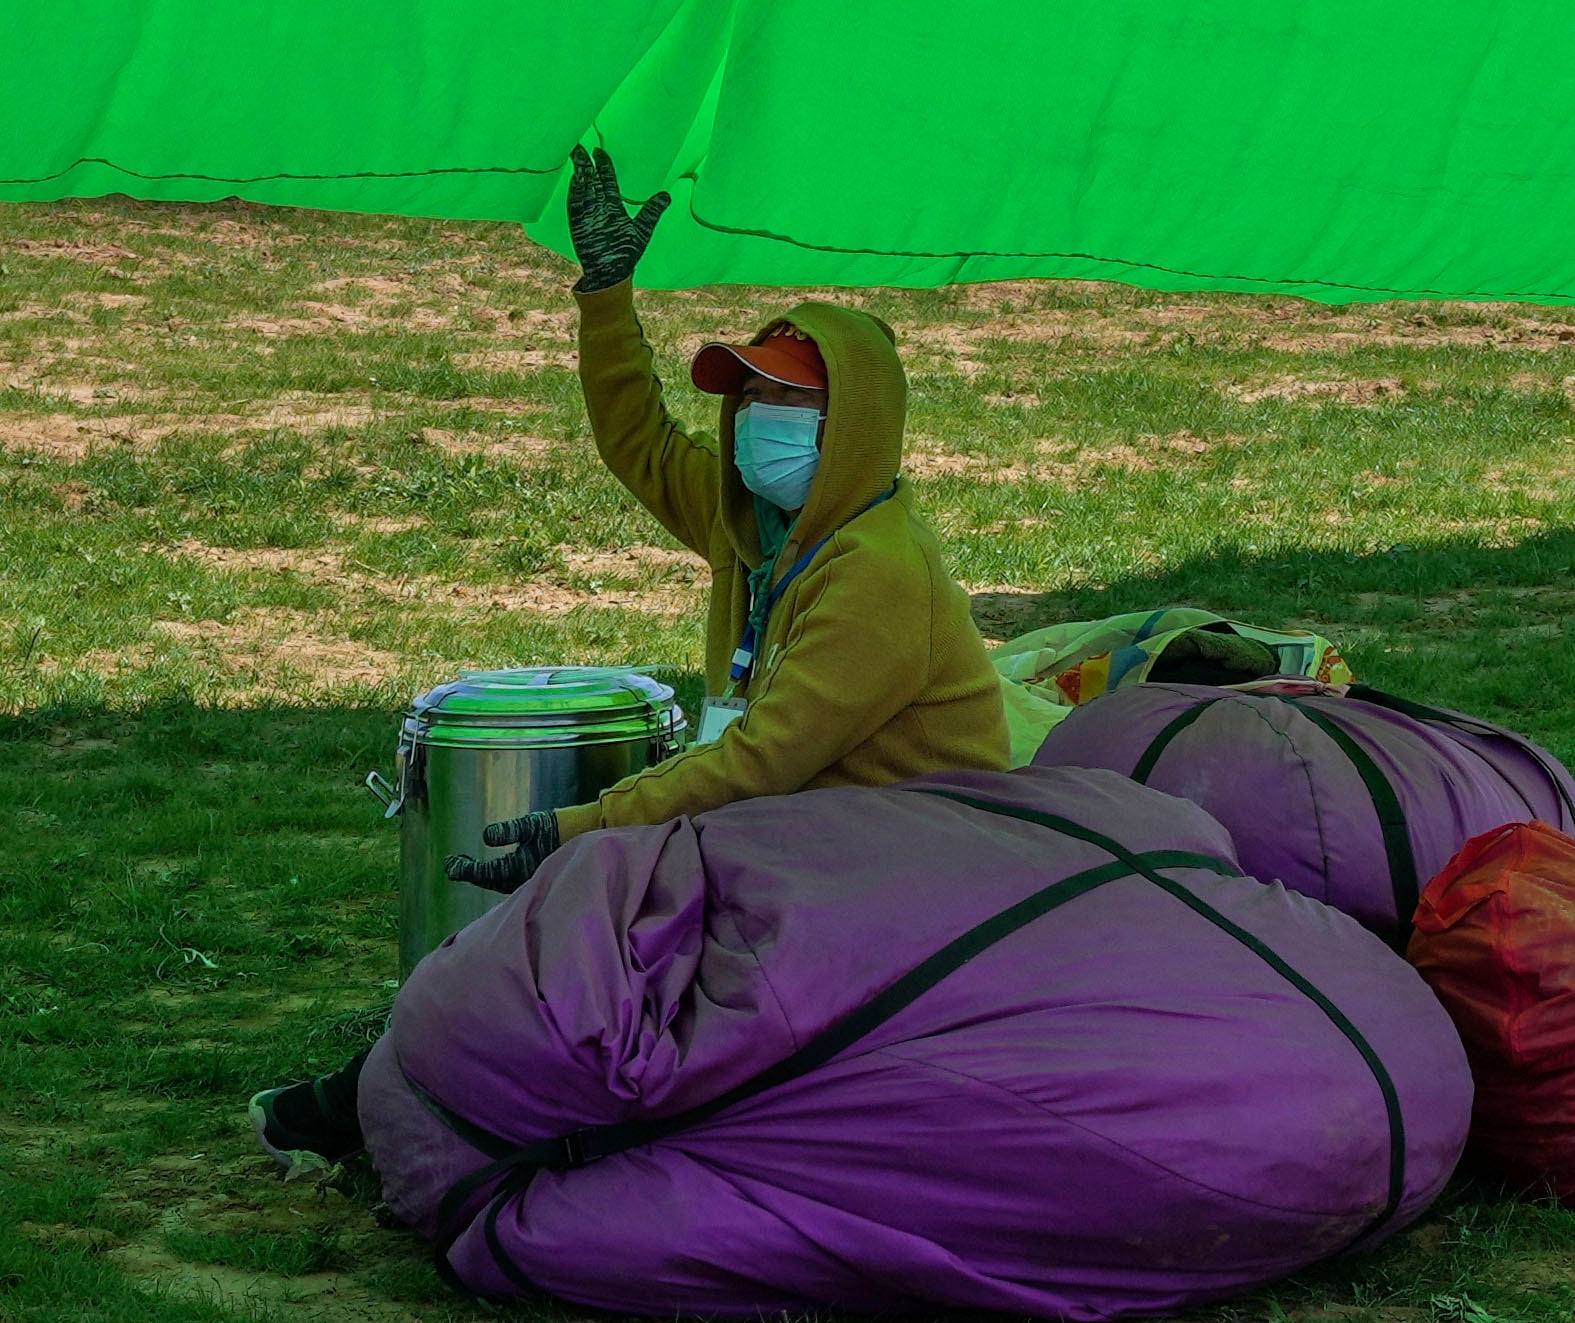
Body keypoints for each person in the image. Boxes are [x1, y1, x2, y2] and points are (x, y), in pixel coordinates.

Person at [249, 140, 1026, 1172]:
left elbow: (759, 765)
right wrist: (606, 297)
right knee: (598, 898)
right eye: (747, 396)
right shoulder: (764, 527)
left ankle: (392, 1098)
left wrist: (570, 828)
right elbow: (640, 442)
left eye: (789, 403)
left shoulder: (877, 568)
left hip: (887, 869)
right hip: (804, 839)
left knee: (600, 893)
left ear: (856, 427)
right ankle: (399, 1090)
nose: (756, 422)